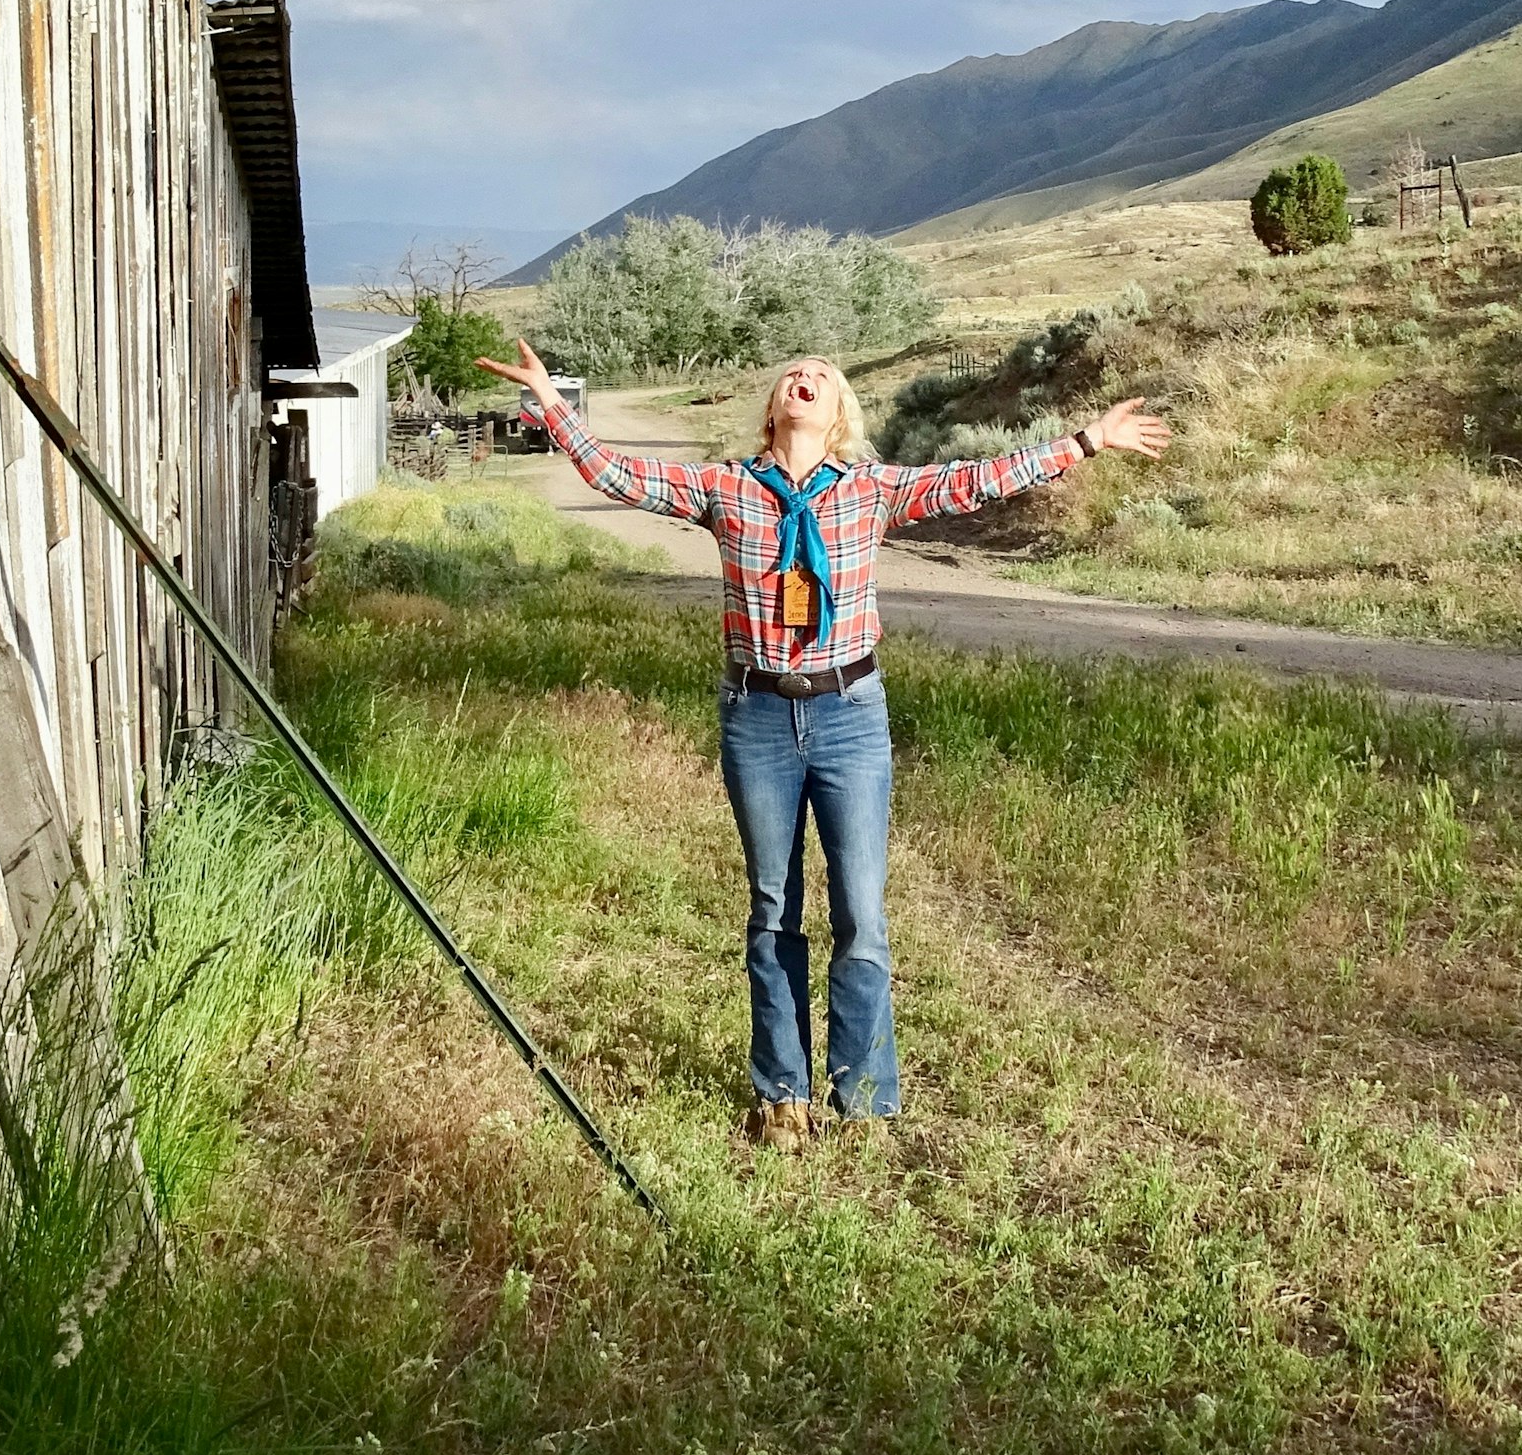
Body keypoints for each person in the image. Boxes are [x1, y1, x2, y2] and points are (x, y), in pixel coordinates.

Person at [475, 339, 1171, 1149]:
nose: (802, 380)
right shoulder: (726, 487)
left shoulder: (868, 490)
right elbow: (619, 475)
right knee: (773, 907)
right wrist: (551, 406)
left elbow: (973, 480)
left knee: (861, 912)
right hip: (759, 716)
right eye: (789, 376)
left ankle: (864, 1097)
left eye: (821, 378)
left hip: (850, 714)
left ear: (840, 413)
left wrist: (1084, 442)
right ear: (773, 407)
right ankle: (782, 1096)